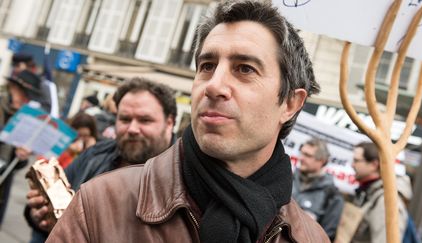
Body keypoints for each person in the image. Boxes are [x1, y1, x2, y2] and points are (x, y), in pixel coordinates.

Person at [47, 1, 329, 242]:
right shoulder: (101, 204)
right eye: (207, 66)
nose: (214, 85)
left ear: (290, 103)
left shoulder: (310, 237)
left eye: (245, 69)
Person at [25, 77, 177, 243]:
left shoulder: (183, 177)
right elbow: (52, 218)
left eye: (145, 120)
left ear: (170, 123)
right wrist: (39, 216)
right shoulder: (94, 155)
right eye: (125, 119)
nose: (132, 129)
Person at [0, 70, 47, 226]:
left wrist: (22, 156)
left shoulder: (25, 118)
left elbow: (16, 163)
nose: (26, 99)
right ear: (13, 87)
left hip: (3, 178)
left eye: (29, 96)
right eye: (24, 94)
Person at [350, 142, 410, 243]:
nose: (352, 165)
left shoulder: (385, 202)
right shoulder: (367, 194)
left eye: (356, 161)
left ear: (374, 165)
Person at [292, 138, 344, 241]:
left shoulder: (332, 196)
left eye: (308, 155)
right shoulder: (288, 179)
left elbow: (326, 236)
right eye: (301, 153)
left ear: (322, 161)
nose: (301, 158)